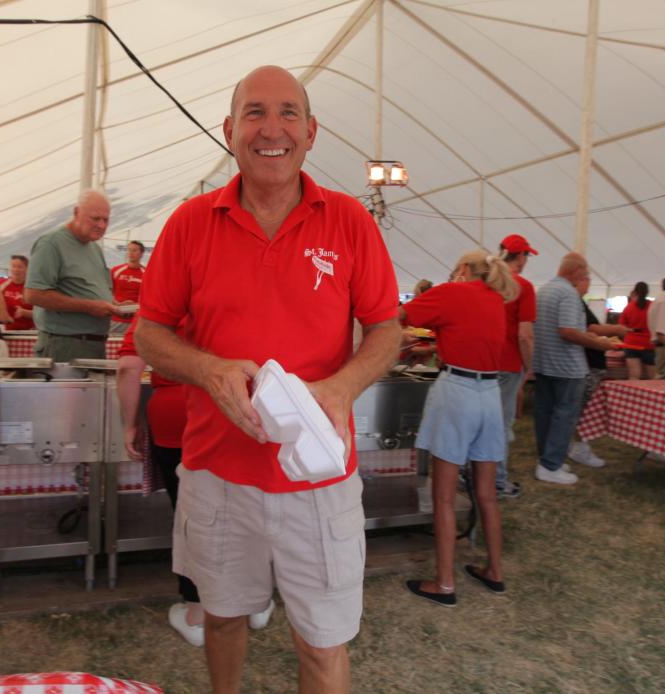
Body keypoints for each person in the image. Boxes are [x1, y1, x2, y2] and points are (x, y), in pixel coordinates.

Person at [135, 66, 401, 694]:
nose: (271, 128)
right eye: (255, 113)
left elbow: (387, 330)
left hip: (320, 477)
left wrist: (339, 388)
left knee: (323, 643)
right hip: (217, 476)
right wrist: (208, 367)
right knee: (224, 620)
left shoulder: (349, 221)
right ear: (230, 131)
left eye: (288, 113)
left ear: (311, 132)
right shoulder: (190, 222)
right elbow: (150, 333)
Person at [115, 318, 273, 647]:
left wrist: (129, 424)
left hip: (175, 420)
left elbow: (129, 368)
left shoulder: (157, 310)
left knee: (190, 518)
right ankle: (256, 601)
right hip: (235, 418)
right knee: (247, 511)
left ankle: (197, 615)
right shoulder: (227, 300)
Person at [400, 251, 518, 606]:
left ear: (463, 270)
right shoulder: (496, 300)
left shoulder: (453, 291)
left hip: (457, 392)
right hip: (489, 394)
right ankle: (494, 571)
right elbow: (469, 338)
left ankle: (445, 583)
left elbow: (397, 315)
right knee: (486, 493)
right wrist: (437, 346)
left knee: (445, 495)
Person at [532, 253, 616, 485]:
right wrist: (599, 343)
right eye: (586, 274)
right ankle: (551, 465)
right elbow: (567, 331)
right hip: (567, 366)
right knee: (565, 416)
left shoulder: (545, 290)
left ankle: (547, 459)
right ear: (577, 273)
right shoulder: (568, 293)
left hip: (544, 363)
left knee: (545, 414)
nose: (586, 278)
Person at [24, 190, 121, 361]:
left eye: (106, 220)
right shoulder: (51, 244)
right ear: (76, 213)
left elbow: (93, 291)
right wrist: (89, 306)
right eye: (95, 218)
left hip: (93, 345)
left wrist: (115, 306)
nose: (101, 225)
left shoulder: (94, 248)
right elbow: (34, 294)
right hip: (64, 345)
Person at [567, 274, 629, 468]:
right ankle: (579, 447)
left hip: (587, 362)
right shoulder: (574, 302)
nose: (589, 285)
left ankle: (573, 445)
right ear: (579, 280)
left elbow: (586, 330)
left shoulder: (575, 302)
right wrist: (615, 330)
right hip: (588, 362)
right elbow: (590, 328)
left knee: (577, 407)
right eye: (587, 280)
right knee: (582, 407)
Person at [493, 234, 537, 499]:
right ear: (520, 257)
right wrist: (528, 367)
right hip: (508, 364)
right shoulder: (523, 286)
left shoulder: (487, 282)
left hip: (481, 363)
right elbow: (525, 335)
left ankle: (469, 475)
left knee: (478, 422)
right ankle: (497, 481)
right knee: (500, 425)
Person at [619, 281, 654, 379]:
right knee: (653, 377)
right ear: (647, 292)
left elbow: (621, 326)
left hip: (631, 343)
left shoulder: (629, 307)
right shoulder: (653, 306)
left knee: (634, 376)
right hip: (648, 343)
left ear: (635, 291)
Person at [110, 240, 146, 334]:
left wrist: (135, 306)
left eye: (134, 250)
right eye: (129, 250)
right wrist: (117, 304)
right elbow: (107, 291)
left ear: (141, 253)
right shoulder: (116, 270)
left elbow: (148, 297)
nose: (131, 253)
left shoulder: (147, 274)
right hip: (116, 319)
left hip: (136, 320)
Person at [0, 255, 35, 331]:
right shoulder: (0, 285)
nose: (16, 270)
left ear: (27, 269)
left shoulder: (33, 287)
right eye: (13, 266)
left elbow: (43, 314)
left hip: (31, 331)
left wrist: (25, 313)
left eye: (19, 267)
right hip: (8, 330)